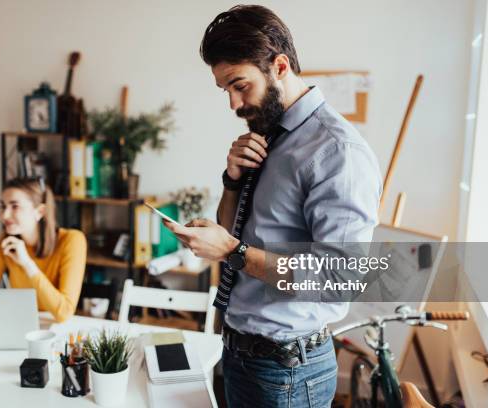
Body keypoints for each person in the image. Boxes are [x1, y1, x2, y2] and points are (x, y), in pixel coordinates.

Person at [163, 5, 382, 407]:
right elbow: (234, 231)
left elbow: (338, 280)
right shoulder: (270, 135)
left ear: (279, 66)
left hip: (288, 373)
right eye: (225, 90)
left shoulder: (337, 151)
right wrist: (232, 182)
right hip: (239, 354)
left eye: (239, 85)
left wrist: (231, 252)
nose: (233, 104)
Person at [0, 177, 87, 323]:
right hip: (20, 323)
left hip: (54, 328)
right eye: (3, 206)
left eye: (15, 206)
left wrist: (27, 263)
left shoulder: (72, 240)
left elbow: (64, 312)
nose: (4, 215)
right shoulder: (7, 242)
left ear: (40, 212)